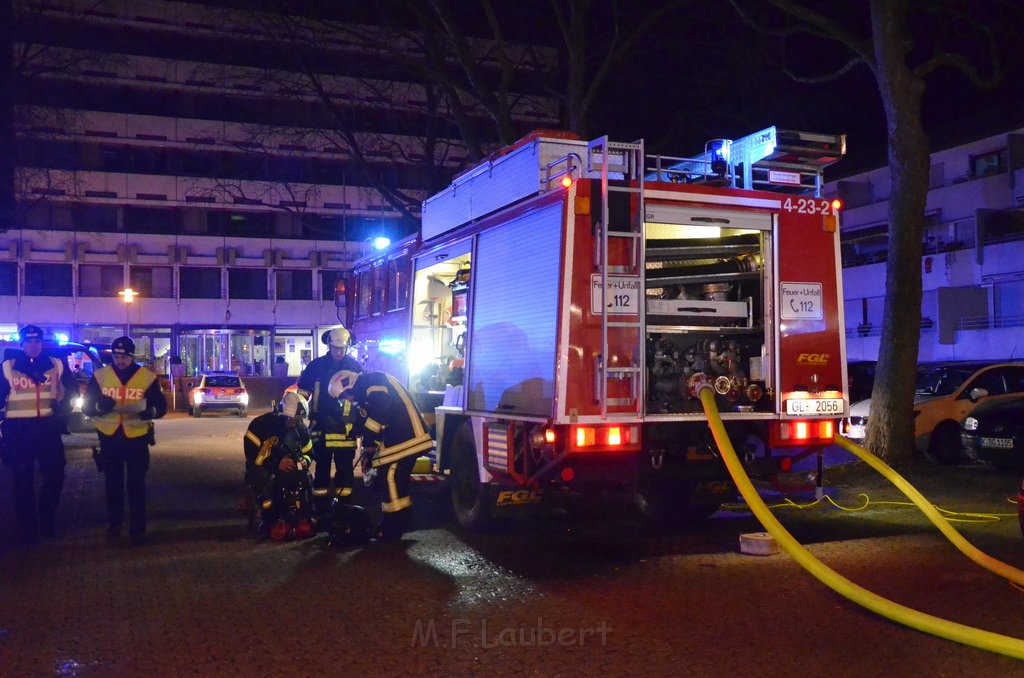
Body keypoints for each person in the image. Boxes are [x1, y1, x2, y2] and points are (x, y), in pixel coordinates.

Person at [328, 370, 434, 540]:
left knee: (389, 477)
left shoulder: (373, 381)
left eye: (346, 395)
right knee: (392, 478)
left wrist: (369, 445)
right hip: (401, 439)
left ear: (349, 384)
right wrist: (362, 438)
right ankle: (402, 521)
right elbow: (370, 418)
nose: (347, 400)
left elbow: (378, 415)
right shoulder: (366, 387)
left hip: (406, 437)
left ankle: (393, 526)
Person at [83, 336, 166, 545]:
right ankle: (114, 525)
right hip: (110, 436)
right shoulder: (101, 376)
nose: (120, 360)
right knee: (113, 484)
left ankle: (138, 528)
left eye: (125, 357)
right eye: (117, 356)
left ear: (132, 356)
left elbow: (161, 406)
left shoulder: (146, 377)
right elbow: (87, 406)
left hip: (137, 437)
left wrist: (151, 411)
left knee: (136, 484)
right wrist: (100, 406)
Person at [0, 325, 76, 545]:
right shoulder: (8, 367)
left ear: (41, 344)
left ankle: (47, 518)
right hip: (18, 431)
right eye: (29, 342)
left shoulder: (56, 365)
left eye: (37, 342)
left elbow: (71, 393)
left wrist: (63, 407)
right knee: (22, 481)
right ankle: (29, 527)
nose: (33, 346)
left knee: (55, 474)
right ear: (21, 344)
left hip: (47, 428)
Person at [296, 326, 362, 512]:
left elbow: (362, 398)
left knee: (345, 470)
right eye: (335, 348)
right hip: (321, 424)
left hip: (346, 427)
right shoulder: (315, 367)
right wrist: (296, 413)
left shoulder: (355, 368)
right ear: (329, 346)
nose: (339, 352)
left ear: (348, 347)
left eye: (342, 348)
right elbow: (302, 393)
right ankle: (321, 508)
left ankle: (345, 508)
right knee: (322, 469)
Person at [243, 391, 315, 540]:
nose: (295, 423)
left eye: (298, 420)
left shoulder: (301, 429)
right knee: (262, 479)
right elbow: (252, 458)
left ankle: (301, 516)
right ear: (282, 414)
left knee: (305, 478)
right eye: (292, 420)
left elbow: (309, 453)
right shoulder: (261, 426)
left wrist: (304, 461)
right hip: (263, 469)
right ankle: (269, 518)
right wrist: (276, 463)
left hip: (290, 468)